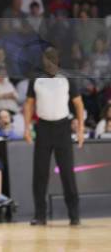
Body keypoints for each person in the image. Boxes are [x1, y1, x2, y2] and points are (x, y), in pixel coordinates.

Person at [24, 47, 84, 226]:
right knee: (40, 174)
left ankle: (74, 216)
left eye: (52, 58)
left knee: (67, 174)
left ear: (58, 60)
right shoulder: (36, 78)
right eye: (46, 58)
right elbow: (29, 104)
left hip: (63, 128)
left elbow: (78, 104)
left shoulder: (67, 78)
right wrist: (27, 128)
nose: (49, 62)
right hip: (43, 128)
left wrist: (80, 130)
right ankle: (40, 216)